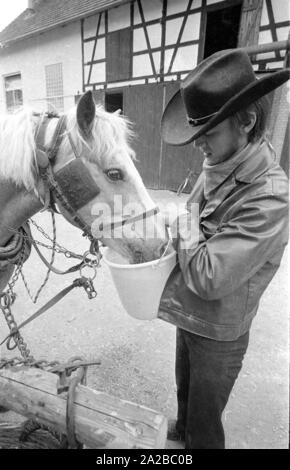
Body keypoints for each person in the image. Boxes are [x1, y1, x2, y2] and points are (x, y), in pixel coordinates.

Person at [158, 48, 289, 449]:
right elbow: (190, 218)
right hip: (191, 315)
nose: (200, 146)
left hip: (219, 334)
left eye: (208, 134)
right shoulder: (220, 162)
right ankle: (181, 438)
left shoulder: (269, 197)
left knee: (204, 429)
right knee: (186, 401)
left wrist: (182, 228)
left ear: (247, 121)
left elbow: (208, 275)